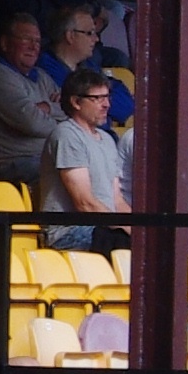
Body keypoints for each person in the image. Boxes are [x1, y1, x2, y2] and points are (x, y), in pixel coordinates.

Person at [0, 4, 61, 177]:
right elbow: (33, 123)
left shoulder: (41, 76)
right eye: (26, 39)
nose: (34, 47)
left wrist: (47, 108)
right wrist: (58, 114)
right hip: (17, 163)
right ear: (5, 43)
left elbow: (73, 111)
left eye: (37, 41)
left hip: (50, 157)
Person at [40, 65, 126, 251]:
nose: (107, 105)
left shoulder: (107, 140)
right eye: (98, 99)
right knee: (122, 240)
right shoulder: (67, 135)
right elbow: (84, 203)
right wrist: (124, 228)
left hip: (105, 227)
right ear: (76, 102)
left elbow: (117, 200)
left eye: (107, 97)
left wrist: (140, 228)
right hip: (69, 231)